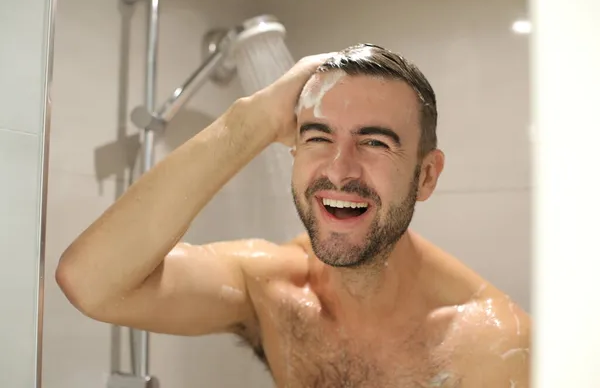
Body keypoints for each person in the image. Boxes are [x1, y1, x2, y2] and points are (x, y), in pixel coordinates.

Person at [56, 44, 531, 387]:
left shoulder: (494, 348)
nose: (339, 170)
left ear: (426, 176)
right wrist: (251, 120)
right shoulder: (272, 290)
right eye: (318, 138)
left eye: (374, 142)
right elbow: (90, 282)